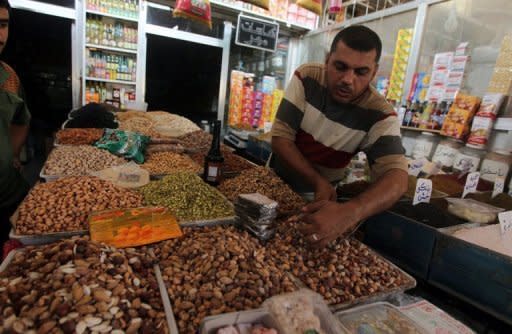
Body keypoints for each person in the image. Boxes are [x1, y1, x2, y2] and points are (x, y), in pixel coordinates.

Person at [270, 25, 408, 248]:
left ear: (374, 72)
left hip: (322, 204)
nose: (347, 79)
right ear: (327, 60)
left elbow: (398, 180)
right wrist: (318, 181)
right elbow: (280, 138)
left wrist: (349, 213)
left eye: (361, 72)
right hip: (274, 184)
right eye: (340, 67)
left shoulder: (380, 115)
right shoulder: (307, 77)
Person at [0, 0, 31, 248]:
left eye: (2, 25)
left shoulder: (8, 76)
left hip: (9, 196)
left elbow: (21, 121)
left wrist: (12, 154)